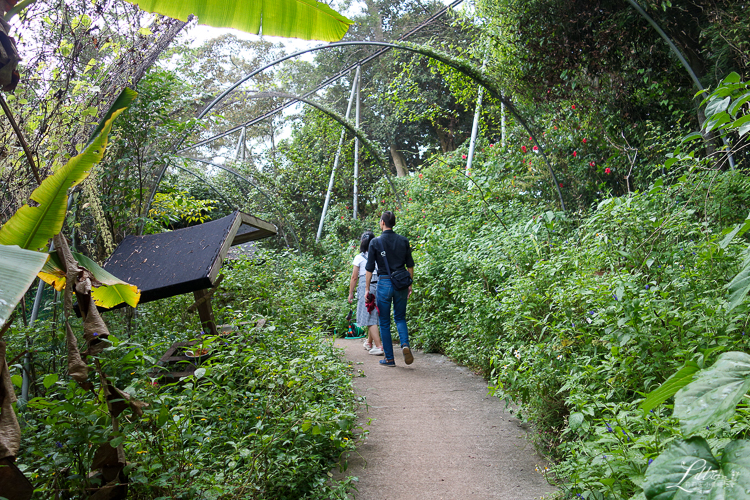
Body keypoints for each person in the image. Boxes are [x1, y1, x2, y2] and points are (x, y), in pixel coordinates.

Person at [365, 211, 415, 366]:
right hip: (400, 282)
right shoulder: (403, 241)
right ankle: (405, 344)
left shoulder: (375, 242)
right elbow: (410, 265)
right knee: (400, 317)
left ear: (382, 223)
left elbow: (369, 268)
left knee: (385, 322)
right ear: (393, 223)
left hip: (384, 283)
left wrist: (367, 289)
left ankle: (389, 358)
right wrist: (409, 284)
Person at [348, 231, 384, 355]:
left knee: (368, 317)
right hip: (379, 284)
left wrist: (351, 293)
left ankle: (379, 346)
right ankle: (369, 342)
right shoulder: (379, 256)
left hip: (366, 285)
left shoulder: (359, 257)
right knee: (373, 315)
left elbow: (354, 277)